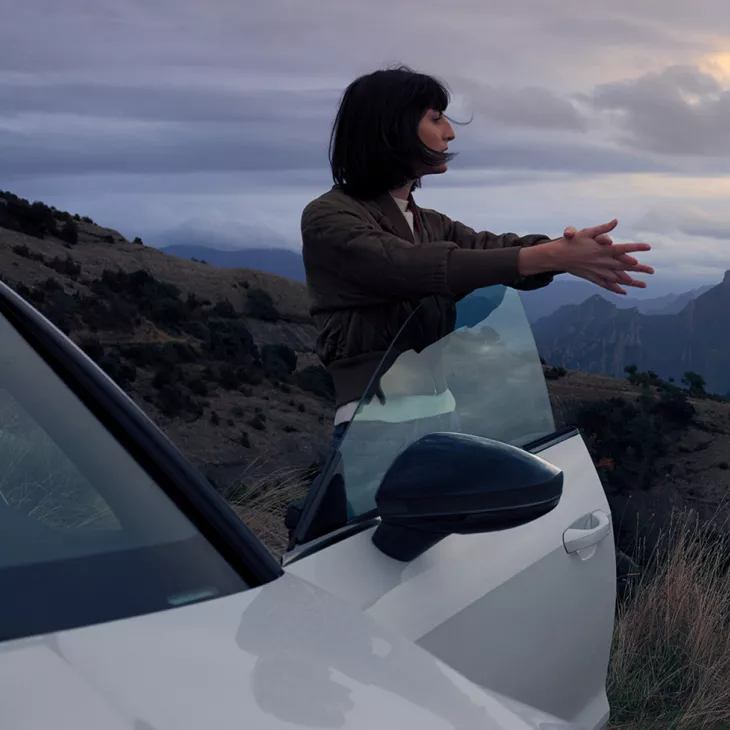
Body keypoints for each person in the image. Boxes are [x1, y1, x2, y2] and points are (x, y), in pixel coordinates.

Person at [301, 65, 654, 451]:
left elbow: (491, 248)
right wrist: (547, 255)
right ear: (391, 128)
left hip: (443, 417)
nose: (449, 132)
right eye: (436, 118)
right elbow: (406, 266)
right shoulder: (329, 217)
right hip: (374, 425)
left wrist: (564, 251)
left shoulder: (429, 223)